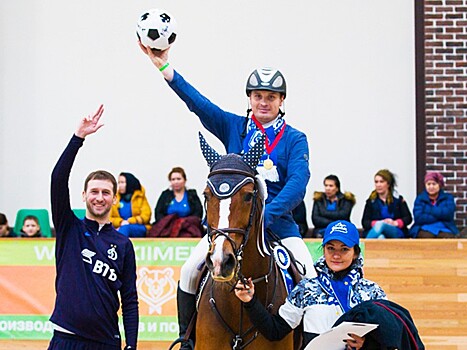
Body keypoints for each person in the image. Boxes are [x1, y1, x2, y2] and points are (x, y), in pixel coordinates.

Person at [139, 44, 316, 348]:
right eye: (258, 96)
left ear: (281, 101)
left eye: (271, 97)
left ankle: (311, 342)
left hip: (278, 225)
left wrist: (266, 216)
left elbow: (298, 185)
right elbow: (199, 105)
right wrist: (165, 68)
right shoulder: (234, 125)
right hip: (230, 226)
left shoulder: (294, 139)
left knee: (310, 277)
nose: (264, 102)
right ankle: (186, 340)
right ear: (250, 98)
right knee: (189, 270)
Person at [49, 105, 138, 350]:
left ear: (115, 198)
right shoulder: (69, 228)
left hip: (105, 343)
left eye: (106, 192)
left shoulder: (123, 245)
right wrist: (78, 138)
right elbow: (57, 180)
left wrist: (131, 345)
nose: (99, 197)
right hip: (66, 338)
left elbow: (129, 300)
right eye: (94, 192)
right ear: (84, 195)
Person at [234, 220, 387, 349]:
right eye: (330, 248)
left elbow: (387, 339)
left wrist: (366, 345)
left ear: (355, 253)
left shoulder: (372, 292)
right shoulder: (306, 289)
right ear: (324, 250)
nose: (335, 255)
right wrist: (250, 301)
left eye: (344, 249)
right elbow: (275, 330)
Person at [149, 167, 203, 238]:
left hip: (188, 228)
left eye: (178, 179)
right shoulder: (165, 195)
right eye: (173, 179)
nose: (176, 182)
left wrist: (183, 223)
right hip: (168, 229)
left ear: (185, 180)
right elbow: (158, 213)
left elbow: (198, 213)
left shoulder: (192, 195)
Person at [362, 169, 412, 239]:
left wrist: (395, 223)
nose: (378, 185)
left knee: (382, 225)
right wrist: (377, 223)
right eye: (376, 182)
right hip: (377, 231)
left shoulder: (398, 199)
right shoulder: (371, 201)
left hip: (395, 230)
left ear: (388, 184)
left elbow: (408, 218)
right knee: (381, 237)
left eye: (381, 182)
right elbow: (365, 222)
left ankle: (363, 247)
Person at [410, 172, 459, 238]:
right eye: (428, 184)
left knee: (447, 238)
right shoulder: (420, 198)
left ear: (439, 185)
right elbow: (418, 218)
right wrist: (440, 216)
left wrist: (429, 210)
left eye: (434, 184)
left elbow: (448, 215)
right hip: (424, 227)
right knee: (426, 237)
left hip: (445, 227)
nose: (431, 187)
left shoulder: (448, 198)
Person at [110, 172, 152, 238]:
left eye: (122, 182)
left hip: (138, 227)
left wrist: (129, 221)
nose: (120, 185)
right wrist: (120, 222)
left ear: (129, 183)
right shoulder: (115, 198)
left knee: (125, 229)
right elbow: (109, 218)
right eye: (119, 183)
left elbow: (146, 216)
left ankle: (119, 247)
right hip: (120, 226)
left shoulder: (140, 197)